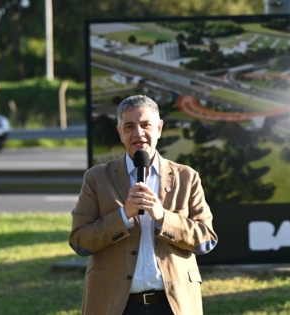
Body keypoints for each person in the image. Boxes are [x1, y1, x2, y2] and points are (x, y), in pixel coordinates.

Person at [69, 95, 218, 315]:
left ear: (159, 128)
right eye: (129, 126)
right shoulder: (97, 178)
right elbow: (80, 241)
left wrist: (164, 217)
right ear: (120, 132)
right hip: (116, 305)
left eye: (145, 125)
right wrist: (123, 215)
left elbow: (206, 239)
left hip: (173, 304)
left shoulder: (186, 177)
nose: (138, 133)